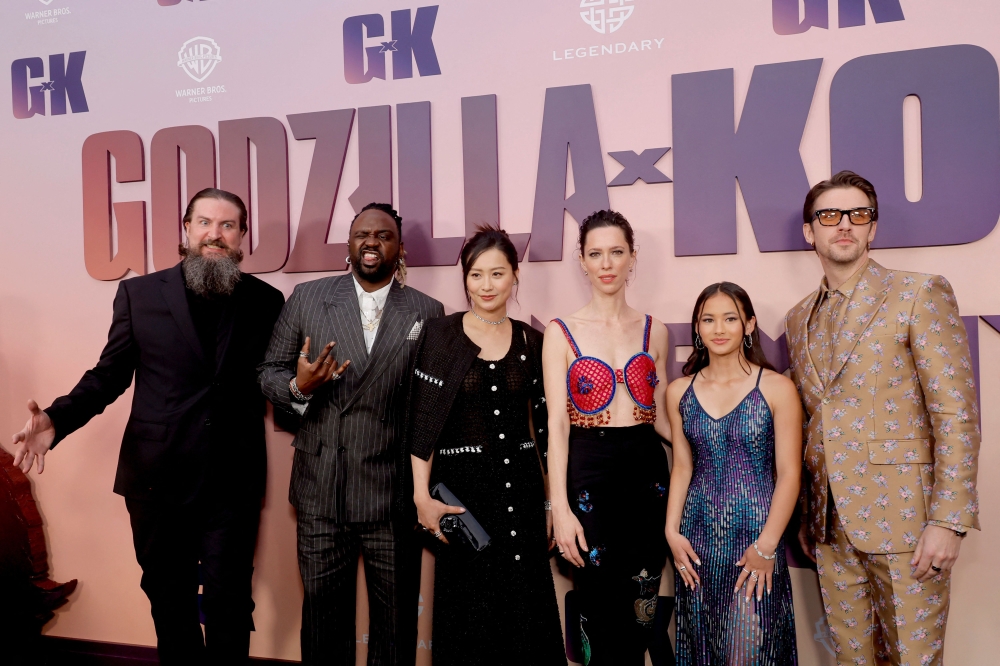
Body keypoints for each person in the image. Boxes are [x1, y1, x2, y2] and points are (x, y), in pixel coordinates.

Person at [10, 188, 285, 665]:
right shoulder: (139, 294)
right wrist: (57, 418)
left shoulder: (266, 301)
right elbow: (108, 375)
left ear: (242, 236)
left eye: (227, 226)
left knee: (229, 598)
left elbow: (275, 379)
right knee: (169, 595)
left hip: (232, 477)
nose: (214, 235)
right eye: (204, 223)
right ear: (186, 228)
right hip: (157, 475)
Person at [786, 171, 981, 665]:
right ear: (810, 231)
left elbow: (956, 413)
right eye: (829, 216)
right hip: (830, 530)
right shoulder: (797, 317)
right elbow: (816, 419)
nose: (844, 225)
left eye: (859, 214)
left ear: (873, 227)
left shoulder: (919, 293)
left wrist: (949, 521)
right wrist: (812, 512)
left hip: (909, 526)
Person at [258, 203, 443, 666]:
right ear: (348, 243)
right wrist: (300, 386)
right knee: (323, 620)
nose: (371, 242)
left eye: (383, 235)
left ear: (400, 248)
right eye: (362, 234)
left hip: (392, 493)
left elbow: (428, 408)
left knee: (396, 625)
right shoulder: (308, 297)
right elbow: (268, 372)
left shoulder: (427, 310)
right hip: (323, 488)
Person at [406, 227, 564, 666]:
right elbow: (422, 427)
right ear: (465, 278)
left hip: (522, 495)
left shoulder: (533, 342)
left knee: (526, 614)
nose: (487, 285)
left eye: (497, 274)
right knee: (468, 619)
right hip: (464, 503)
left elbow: (546, 433)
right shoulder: (440, 336)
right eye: (476, 275)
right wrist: (421, 498)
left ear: (515, 275)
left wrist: (552, 505)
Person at [543, 210, 672, 666]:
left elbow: (660, 417)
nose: (607, 263)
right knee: (596, 595)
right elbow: (557, 426)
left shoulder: (656, 331)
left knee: (643, 594)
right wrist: (559, 508)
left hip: (645, 466)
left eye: (617, 252)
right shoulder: (561, 332)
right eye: (595, 253)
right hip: (588, 466)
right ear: (581, 260)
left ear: (632, 257)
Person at [665, 282, 801, 665]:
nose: (719, 328)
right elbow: (682, 466)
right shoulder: (679, 391)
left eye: (730, 318)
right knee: (701, 644)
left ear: (750, 325)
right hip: (697, 539)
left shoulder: (776, 388)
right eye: (708, 319)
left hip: (755, 540)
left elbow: (789, 474)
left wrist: (766, 546)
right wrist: (671, 532)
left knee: (751, 650)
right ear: (697, 327)